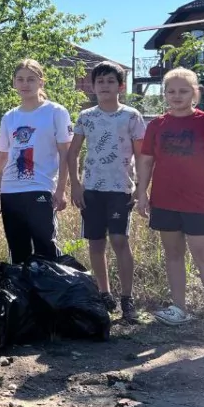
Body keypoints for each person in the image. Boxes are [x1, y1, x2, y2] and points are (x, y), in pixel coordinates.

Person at [135, 68, 204, 337]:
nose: (177, 96)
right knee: (173, 254)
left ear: (195, 93)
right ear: (164, 94)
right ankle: (179, 308)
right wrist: (141, 193)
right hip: (164, 201)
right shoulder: (156, 125)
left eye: (183, 91)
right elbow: (146, 161)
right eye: (171, 91)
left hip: (198, 202)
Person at [67, 61, 146, 324]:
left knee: (120, 241)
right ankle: (104, 294)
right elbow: (73, 152)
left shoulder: (131, 116)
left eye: (110, 81)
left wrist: (142, 188)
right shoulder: (86, 116)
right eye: (100, 81)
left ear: (120, 86)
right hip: (92, 189)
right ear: (92, 86)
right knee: (96, 243)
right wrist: (75, 185)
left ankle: (127, 298)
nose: (105, 86)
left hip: (120, 189)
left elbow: (142, 154)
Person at [0, 60, 70, 269]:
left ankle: (51, 299)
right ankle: (23, 299)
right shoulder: (9, 117)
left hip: (40, 188)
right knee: (18, 251)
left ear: (41, 82)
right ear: (14, 83)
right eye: (20, 79)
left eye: (31, 79)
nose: (25, 84)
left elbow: (66, 154)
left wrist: (61, 189)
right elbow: (2, 157)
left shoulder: (55, 112)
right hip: (11, 190)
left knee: (46, 249)